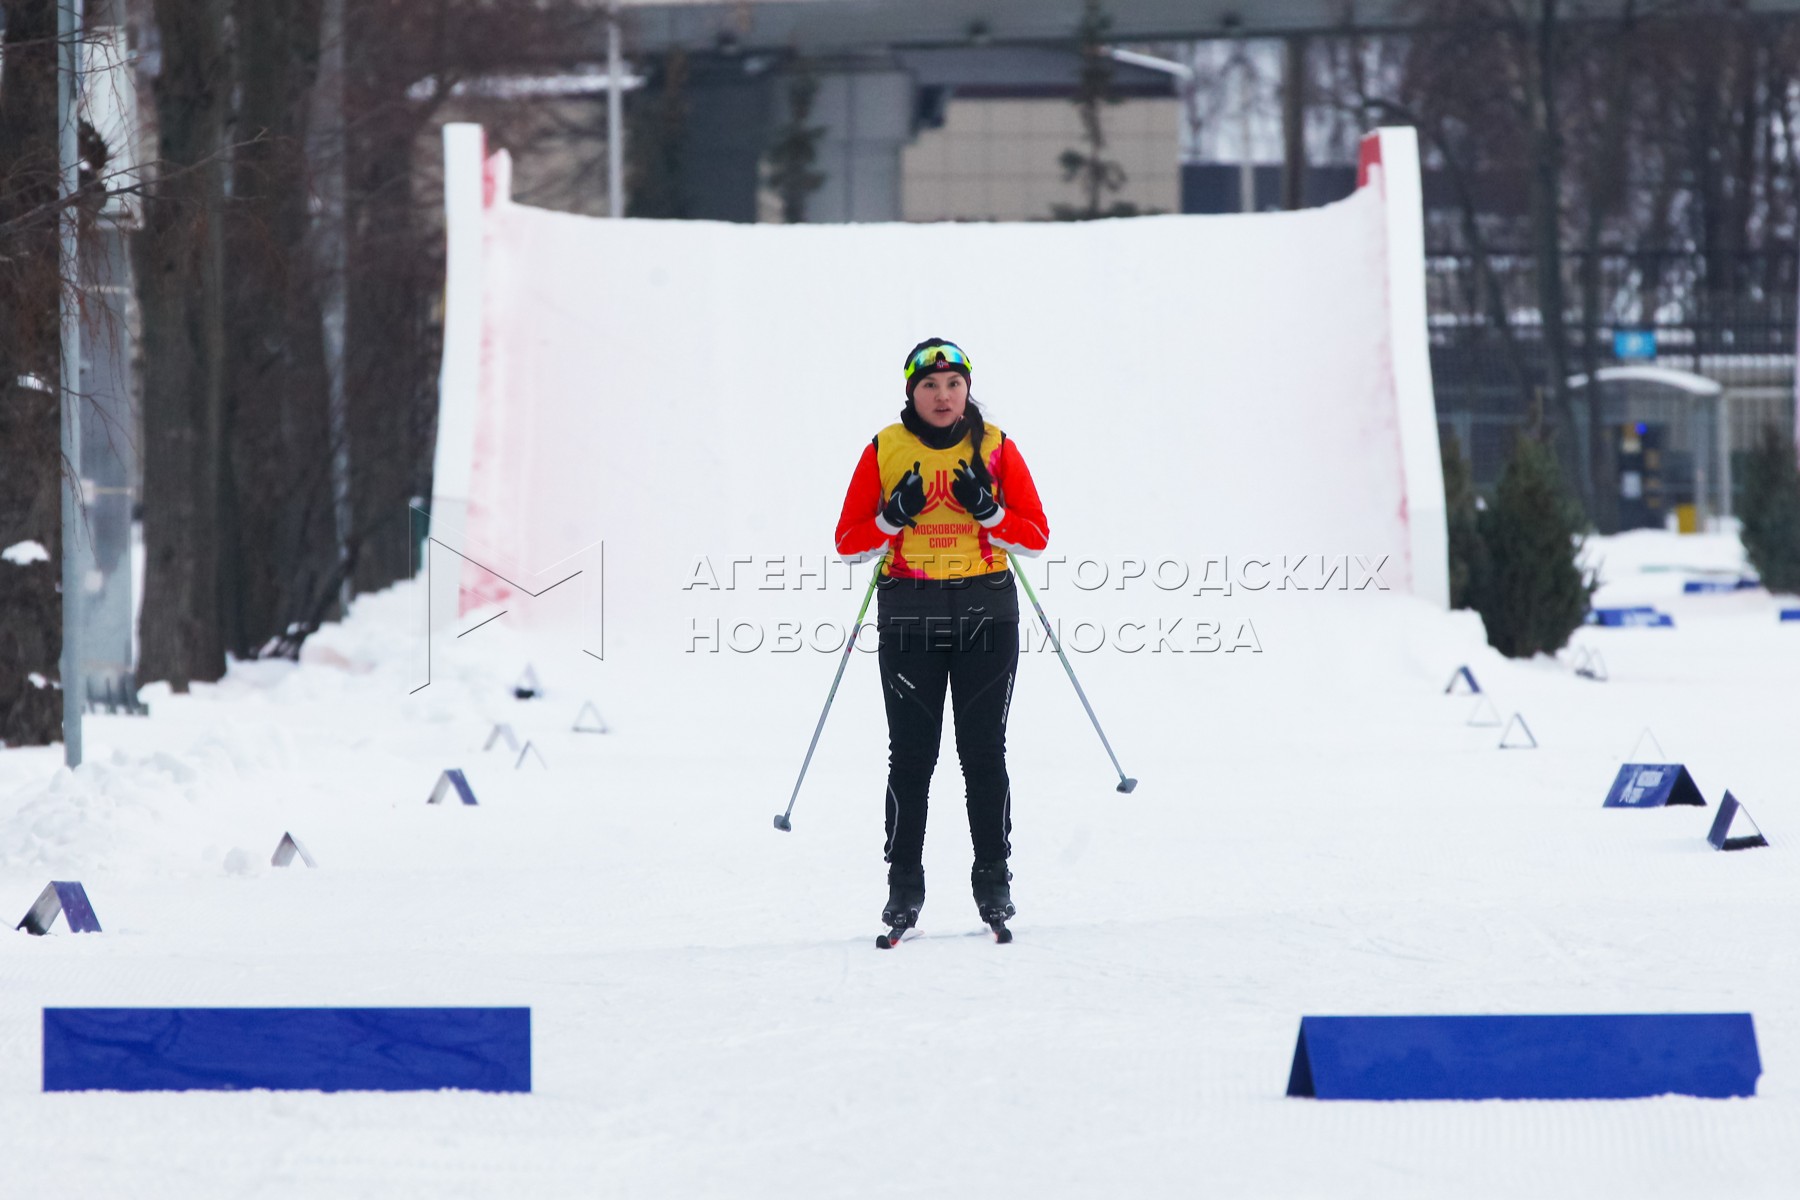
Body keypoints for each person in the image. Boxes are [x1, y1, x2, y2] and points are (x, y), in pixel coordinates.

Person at [834, 338, 1050, 933]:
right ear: (911, 391)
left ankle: (994, 879)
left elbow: (1035, 537)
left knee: (983, 753)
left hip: (986, 610)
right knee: (910, 756)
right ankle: (904, 885)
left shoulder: (998, 447)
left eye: (953, 383)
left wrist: (988, 511)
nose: (942, 394)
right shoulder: (884, 448)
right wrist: (891, 518)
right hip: (910, 611)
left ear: (967, 389)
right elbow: (848, 544)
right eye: (929, 385)